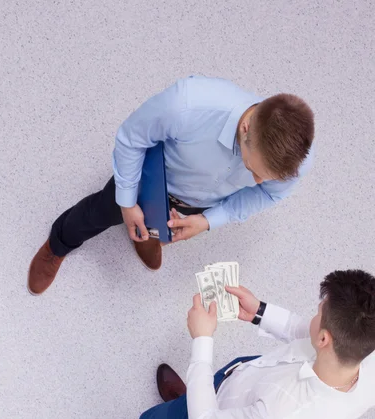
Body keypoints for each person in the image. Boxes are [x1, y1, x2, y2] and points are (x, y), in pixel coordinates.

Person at [27, 76, 314, 295]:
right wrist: (127, 203)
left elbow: (266, 196)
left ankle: (147, 235)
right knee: (97, 213)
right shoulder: (187, 105)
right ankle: (59, 243)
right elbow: (131, 139)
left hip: (203, 202)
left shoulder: (295, 160)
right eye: (253, 170)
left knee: (159, 230)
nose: (258, 183)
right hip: (149, 181)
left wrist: (207, 220)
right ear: (246, 129)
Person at [83, 269, 375, 419]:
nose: (312, 316)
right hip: (239, 381)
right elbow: (306, 333)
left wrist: (202, 340)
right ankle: (190, 397)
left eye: (317, 312)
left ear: (325, 338)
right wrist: (259, 312)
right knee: (202, 392)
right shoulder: (360, 346)